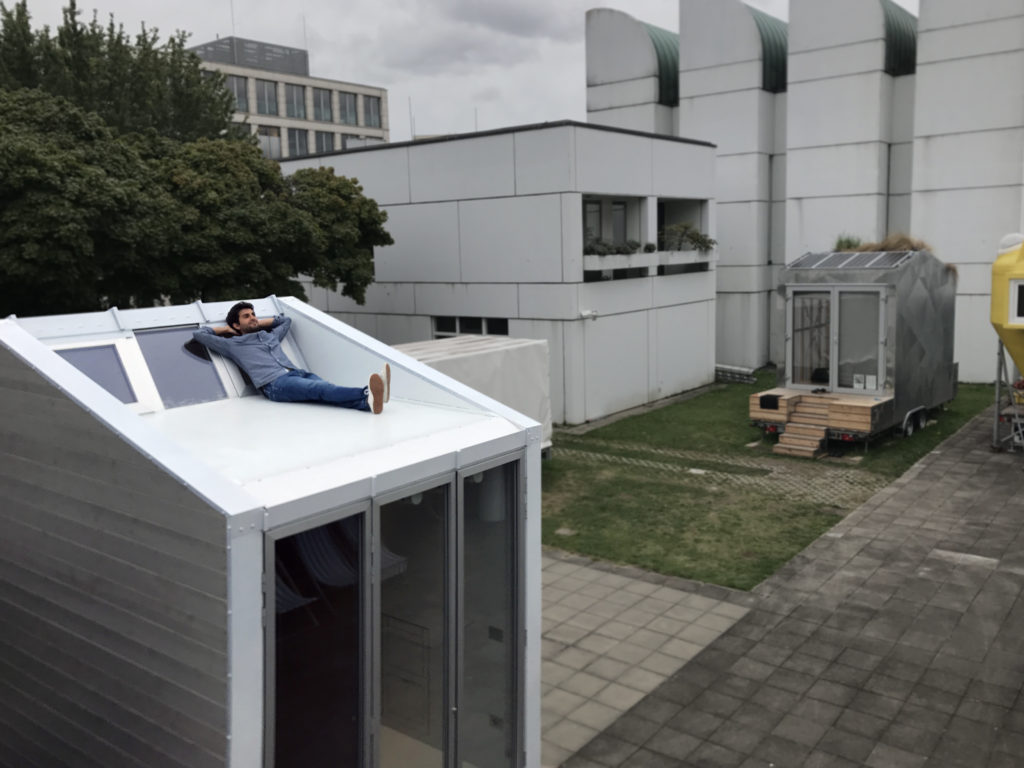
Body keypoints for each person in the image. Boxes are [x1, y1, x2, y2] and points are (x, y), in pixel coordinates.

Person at [192, 301, 389, 414]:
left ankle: (366, 404)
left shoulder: (270, 336)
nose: (253, 317)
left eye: (253, 314)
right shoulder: (233, 345)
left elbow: (285, 321)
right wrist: (226, 329)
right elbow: (200, 335)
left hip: (297, 374)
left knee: (323, 393)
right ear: (236, 325)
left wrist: (260, 323)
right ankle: (366, 392)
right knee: (321, 389)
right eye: (246, 316)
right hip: (274, 385)